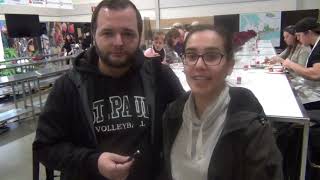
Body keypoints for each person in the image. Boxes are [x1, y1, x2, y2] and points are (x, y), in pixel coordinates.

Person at [33, 1, 184, 180]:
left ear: (139, 36)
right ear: (94, 35)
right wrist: (93, 162)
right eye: (108, 33)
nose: (118, 42)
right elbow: (44, 147)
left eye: (128, 33)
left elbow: (189, 126)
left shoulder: (161, 78)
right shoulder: (69, 86)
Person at [161, 25, 283, 180]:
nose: (199, 65)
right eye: (191, 56)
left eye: (211, 56)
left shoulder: (251, 127)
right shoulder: (173, 114)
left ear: (230, 65)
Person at [283, 17, 320, 110]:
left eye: (299, 35)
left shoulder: (318, 48)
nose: (298, 39)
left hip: (316, 96)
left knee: (287, 102)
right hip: (312, 89)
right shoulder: (315, 46)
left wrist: (291, 64)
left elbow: (316, 74)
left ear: (309, 32)